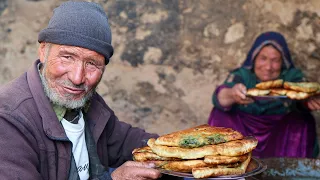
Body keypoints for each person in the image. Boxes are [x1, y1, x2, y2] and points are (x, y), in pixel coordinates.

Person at [0, 1, 169, 179]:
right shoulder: (8, 119)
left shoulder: (86, 103)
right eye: (67, 57)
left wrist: (187, 148)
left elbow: (128, 141)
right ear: (43, 51)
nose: (77, 78)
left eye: (92, 64)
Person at [208, 31, 319, 158]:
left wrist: (308, 100)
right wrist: (232, 93)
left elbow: (303, 91)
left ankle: (291, 170)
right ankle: (226, 164)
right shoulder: (242, 75)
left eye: (275, 60)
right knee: (220, 112)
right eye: (263, 58)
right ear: (253, 58)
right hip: (243, 135)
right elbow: (220, 96)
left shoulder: (291, 77)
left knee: (302, 120)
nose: (268, 67)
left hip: (279, 136)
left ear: (283, 62)